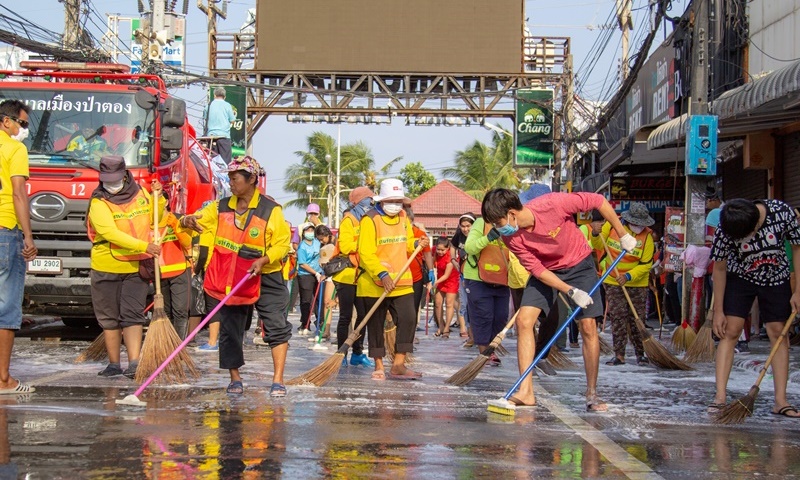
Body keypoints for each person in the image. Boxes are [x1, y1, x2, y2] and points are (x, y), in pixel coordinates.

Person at [481, 188, 635, 411]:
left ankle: (592, 393)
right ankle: (526, 392)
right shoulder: (510, 236)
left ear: (512, 214)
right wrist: (570, 291)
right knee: (524, 320)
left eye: (498, 221)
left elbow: (598, 201)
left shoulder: (553, 204)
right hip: (547, 272)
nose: (498, 228)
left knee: (588, 326)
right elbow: (536, 268)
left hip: (580, 265)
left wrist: (622, 234)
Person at [181, 156, 292, 397]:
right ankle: (235, 378)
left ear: (252, 179)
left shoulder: (271, 210)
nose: (231, 183)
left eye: (235, 178)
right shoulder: (219, 207)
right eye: (229, 178)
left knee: (276, 327)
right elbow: (191, 221)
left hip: (266, 275)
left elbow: (283, 245)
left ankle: (278, 380)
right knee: (230, 330)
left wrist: (264, 259)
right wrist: (186, 220)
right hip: (231, 277)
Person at [708, 198, 800, 417]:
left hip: (776, 277)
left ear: (756, 225)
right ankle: (720, 397)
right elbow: (719, 269)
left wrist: (798, 290)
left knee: (778, 332)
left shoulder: (782, 213)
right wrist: (718, 310)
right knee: (729, 331)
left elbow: (797, 248)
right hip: (740, 278)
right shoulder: (726, 228)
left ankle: (780, 400)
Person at [87, 155, 161, 379]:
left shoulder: (142, 195)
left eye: (115, 179)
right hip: (106, 265)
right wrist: (144, 245)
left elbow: (156, 216)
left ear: (125, 175)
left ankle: (135, 362)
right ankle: (113, 364)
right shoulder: (98, 202)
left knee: (132, 315)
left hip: (135, 267)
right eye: (107, 179)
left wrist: (159, 197)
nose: (111, 184)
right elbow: (109, 232)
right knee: (109, 318)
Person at [358, 179, 429, 380]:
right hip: (374, 283)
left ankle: (399, 364)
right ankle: (378, 365)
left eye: (399, 201)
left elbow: (406, 244)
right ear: (382, 200)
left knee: (408, 318)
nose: (396, 205)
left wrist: (417, 242)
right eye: (392, 200)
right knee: (376, 324)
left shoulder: (403, 217)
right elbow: (365, 252)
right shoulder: (370, 219)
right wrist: (381, 274)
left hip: (401, 281)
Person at [0, 100, 37, 394]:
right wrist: (28, 236)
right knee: (7, 308)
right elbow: (18, 193)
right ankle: (3, 380)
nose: (24, 130)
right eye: (22, 124)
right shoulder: (15, 149)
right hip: (5, 230)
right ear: (6, 122)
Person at [591, 202, 655, 366]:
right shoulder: (612, 226)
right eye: (635, 223)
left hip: (637, 283)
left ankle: (641, 354)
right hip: (612, 280)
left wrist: (628, 276)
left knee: (637, 318)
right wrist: (596, 234)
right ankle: (619, 355)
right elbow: (598, 246)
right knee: (618, 317)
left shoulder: (647, 236)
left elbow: (646, 264)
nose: (638, 227)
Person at [331, 187, 375, 367]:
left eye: (372, 201)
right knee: (345, 317)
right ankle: (341, 354)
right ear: (357, 202)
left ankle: (358, 352)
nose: (370, 204)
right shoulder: (348, 220)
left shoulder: (369, 220)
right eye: (368, 201)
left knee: (363, 316)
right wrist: (363, 245)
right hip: (347, 275)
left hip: (362, 276)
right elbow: (347, 245)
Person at [463, 214, 511, 367]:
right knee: (483, 316)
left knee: (501, 317)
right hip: (478, 278)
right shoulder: (481, 223)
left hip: (502, 278)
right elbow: (469, 247)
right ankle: (485, 352)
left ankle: (490, 348)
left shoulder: (512, 226)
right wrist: (487, 238)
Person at [156, 197, 194, 339]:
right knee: (166, 311)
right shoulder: (150, 222)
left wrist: (176, 227)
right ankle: (168, 342)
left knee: (180, 311)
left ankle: (179, 345)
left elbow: (188, 242)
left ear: (165, 202)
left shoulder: (178, 219)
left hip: (180, 270)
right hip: (160, 272)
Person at [404, 204, 434, 326]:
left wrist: (431, 270)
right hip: (397, 276)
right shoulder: (395, 234)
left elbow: (427, 255)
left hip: (416, 277)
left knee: (413, 307)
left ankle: (410, 335)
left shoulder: (420, 234)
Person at [450, 213, 475, 340]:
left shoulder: (478, 236)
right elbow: (452, 246)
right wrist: (453, 260)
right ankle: (469, 333)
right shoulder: (459, 236)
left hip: (477, 277)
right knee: (465, 304)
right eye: (463, 226)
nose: (465, 229)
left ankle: (478, 334)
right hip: (463, 275)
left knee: (476, 304)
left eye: (468, 226)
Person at [296, 222, 323, 335]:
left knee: (318, 299)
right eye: (308, 230)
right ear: (304, 233)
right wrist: (314, 272)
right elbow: (302, 263)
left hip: (319, 273)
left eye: (312, 230)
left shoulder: (317, 243)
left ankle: (320, 322)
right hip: (306, 274)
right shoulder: (302, 246)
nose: (310, 233)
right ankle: (305, 323)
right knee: (306, 300)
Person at [432, 237, 460, 339]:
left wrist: (435, 282)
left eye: (442, 250)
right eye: (438, 249)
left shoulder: (450, 258)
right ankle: (441, 326)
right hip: (440, 280)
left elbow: (447, 275)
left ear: (448, 248)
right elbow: (431, 263)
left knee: (449, 304)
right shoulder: (435, 253)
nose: (440, 252)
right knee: (438, 303)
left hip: (451, 280)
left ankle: (447, 328)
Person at [203, 87, 236, 164]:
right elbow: (232, 120)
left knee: (212, 162)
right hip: (224, 137)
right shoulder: (227, 105)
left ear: (214, 95)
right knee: (225, 163)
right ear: (225, 96)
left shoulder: (209, 105)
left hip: (211, 137)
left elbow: (205, 118)